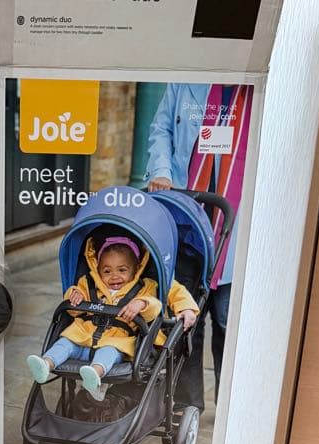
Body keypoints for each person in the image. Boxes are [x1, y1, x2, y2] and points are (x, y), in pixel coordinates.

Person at [145, 82, 252, 408]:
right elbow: (162, 128)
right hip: (189, 211)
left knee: (227, 318)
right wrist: (161, 171)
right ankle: (186, 405)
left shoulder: (259, 91)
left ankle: (230, 408)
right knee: (187, 313)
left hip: (239, 218)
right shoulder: (186, 80)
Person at [25, 235, 198, 400]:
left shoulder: (144, 287)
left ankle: (94, 374)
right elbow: (73, 311)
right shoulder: (88, 283)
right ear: (98, 270)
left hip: (116, 341)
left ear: (136, 269)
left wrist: (141, 304)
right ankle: (46, 364)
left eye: (122, 270)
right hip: (82, 337)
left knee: (107, 352)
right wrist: (74, 295)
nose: (114, 276)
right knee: (64, 343)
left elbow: (155, 306)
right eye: (107, 271)